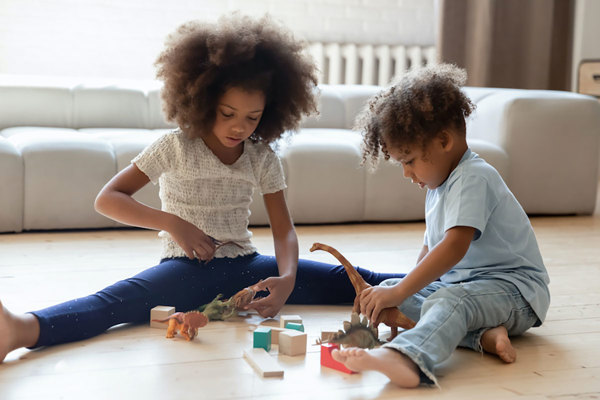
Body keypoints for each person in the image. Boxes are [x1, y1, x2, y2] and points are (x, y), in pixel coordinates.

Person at [0, 14, 406, 363]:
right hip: (184, 271)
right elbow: (107, 199)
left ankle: (442, 283)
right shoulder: (175, 146)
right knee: (114, 304)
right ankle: (19, 330)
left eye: (252, 117)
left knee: (353, 278)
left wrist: (285, 277)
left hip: (249, 268)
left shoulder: (262, 156)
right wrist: (173, 224)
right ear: (202, 99)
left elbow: (283, 229)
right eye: (228, 113)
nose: (239, 127)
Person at [331, 64, 550, 388]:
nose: (406, 173)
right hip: (468, 290)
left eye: (409, 161)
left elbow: (453, 247)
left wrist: (401, 290)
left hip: (515, 291)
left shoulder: (474, 176)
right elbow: (429, 249)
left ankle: (408, 358)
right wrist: (396, 290)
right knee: (395, 290)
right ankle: (484, 336)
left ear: (444, 141)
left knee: (441, 300)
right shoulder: (438, 186)